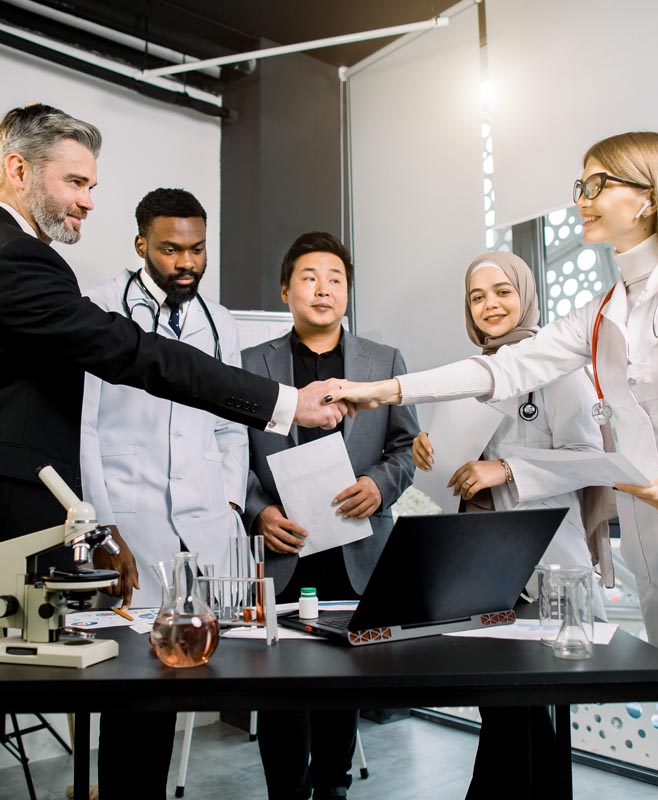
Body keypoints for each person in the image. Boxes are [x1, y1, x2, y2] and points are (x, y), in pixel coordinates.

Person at [0, 104, 346, 800]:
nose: (86, 201)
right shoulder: (13, 257)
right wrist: (284, 402)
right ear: (18, 170)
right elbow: (132, 355)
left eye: (92, 186)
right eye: (75, 182)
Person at [334, 131, 658, 799]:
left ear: (649, 195)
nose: (583, 199)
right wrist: (386, 390)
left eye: (599, 184)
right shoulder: (602, 314)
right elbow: (503, 367)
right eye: (580, 185)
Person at [413, 251, 606, 798]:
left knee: (513, 706)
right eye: (477, 297)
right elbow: (460, 455)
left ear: (526, 294)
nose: (490, 305)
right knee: (501, 704)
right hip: (479, 563)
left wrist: (506, 469)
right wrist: (431, 448)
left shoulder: (559, 367)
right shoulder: (474, 373)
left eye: (502, 291)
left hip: (539, 559)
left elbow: (590, 457)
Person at [79, 187, 249, 797]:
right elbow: (84, 427)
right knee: (131, 695)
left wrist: (229, 503)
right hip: (132, 525)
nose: (187, 264)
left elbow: (233, 422)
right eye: (171, 250)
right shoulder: (99, 306)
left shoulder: (219, 321)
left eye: (198, 250)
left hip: (204, 525)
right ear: (140, 245)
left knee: (191, 681)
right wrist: (102, 526)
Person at [242, 232, 418, 800]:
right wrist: (258, 511)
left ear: (348, 292)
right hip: (285, 550)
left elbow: (406, 447)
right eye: (310, 277)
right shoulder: (249, 364)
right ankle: (285, 792)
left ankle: (333, 789)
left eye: (336, 279)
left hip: (357, 547)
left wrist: (379, 485)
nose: (324, 289)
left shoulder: (384, 362)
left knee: (344, 680)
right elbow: (226, 455)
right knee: (279, 684)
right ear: (285, 289)